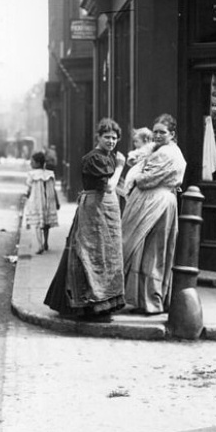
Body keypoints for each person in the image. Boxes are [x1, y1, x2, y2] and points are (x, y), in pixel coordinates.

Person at [44, 118, 126, 318]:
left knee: (108, 253)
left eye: (114, 138)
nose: (111, 141)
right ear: (98, 137)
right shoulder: (94, 158)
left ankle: (105, 302)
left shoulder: (108, 157)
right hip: (94, 210)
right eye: (107, 137)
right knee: (91, 251)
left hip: (107, 210)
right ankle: (89, 303)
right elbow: (108, 186)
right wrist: (121, 166)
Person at [121, 114, 187, 314]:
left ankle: (150, 300)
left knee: (148, 248)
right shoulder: (167, 150)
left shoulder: (166, 153)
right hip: (159, 200)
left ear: (172, 134)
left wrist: (137, 177)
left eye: (162, 132)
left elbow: (145, 180)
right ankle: (148, 299)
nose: (157, 135)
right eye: (155, 131)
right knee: (151, 249)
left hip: (155, 202)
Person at [23, 151, 60, 254]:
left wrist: (26, 196)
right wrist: (57, 201)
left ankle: (40, 245)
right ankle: (46, 243)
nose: (31, 164)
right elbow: (53, 189)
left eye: (32, 162)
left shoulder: (32, 174)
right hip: (49, 201)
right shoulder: (50, 174)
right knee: (46, 224)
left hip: (37, 201)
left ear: (38, 163)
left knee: (38, 224)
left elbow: (29, 189)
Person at [120, 127, 154, 200]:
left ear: (145, 140)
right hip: (139, 168)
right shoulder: (138, 151)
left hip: (147, 171)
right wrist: (139, 160)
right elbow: (131, 161)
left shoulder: (151, 148)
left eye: (136, 141)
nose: (135, 144)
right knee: (131, 178)